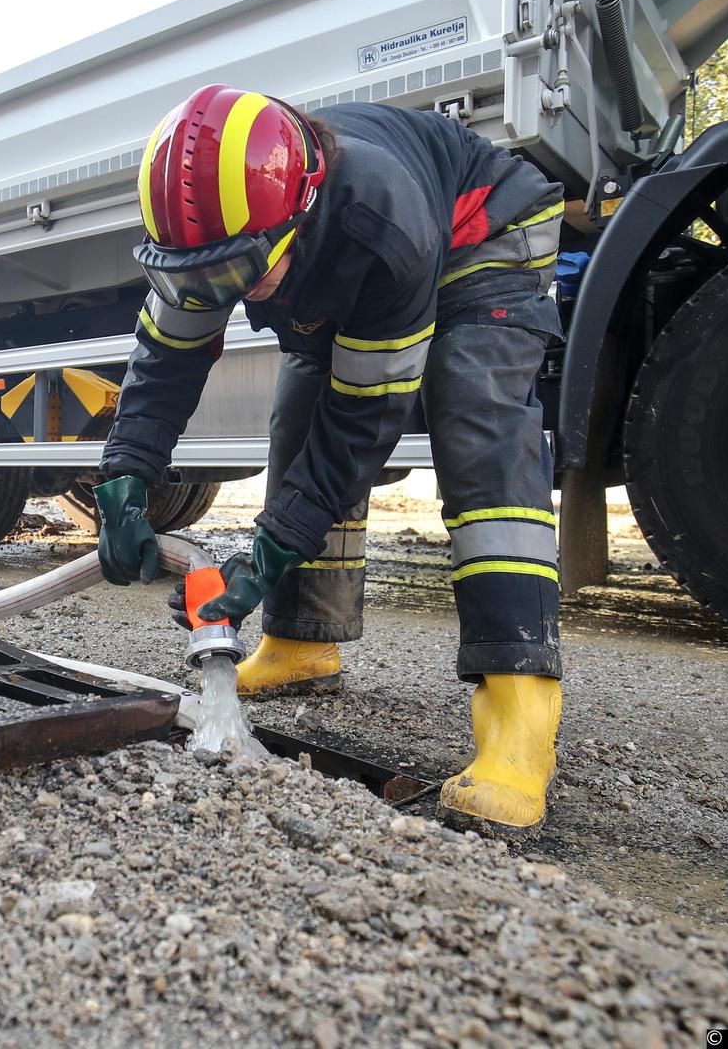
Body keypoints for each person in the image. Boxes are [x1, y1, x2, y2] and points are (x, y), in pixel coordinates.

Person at [93, 86, 565, 831]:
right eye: (195, 277)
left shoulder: (382, 229)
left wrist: (272, 549)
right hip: (336, 258)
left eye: (233, 274)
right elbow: (164, 365)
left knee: (477, 416)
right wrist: (125, 478)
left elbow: (361, 423)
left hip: (483, 228)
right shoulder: (212, 237)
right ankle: (300, 643)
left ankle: (519, 709)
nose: (216, 294)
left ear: (299, 214)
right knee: (296, 415)